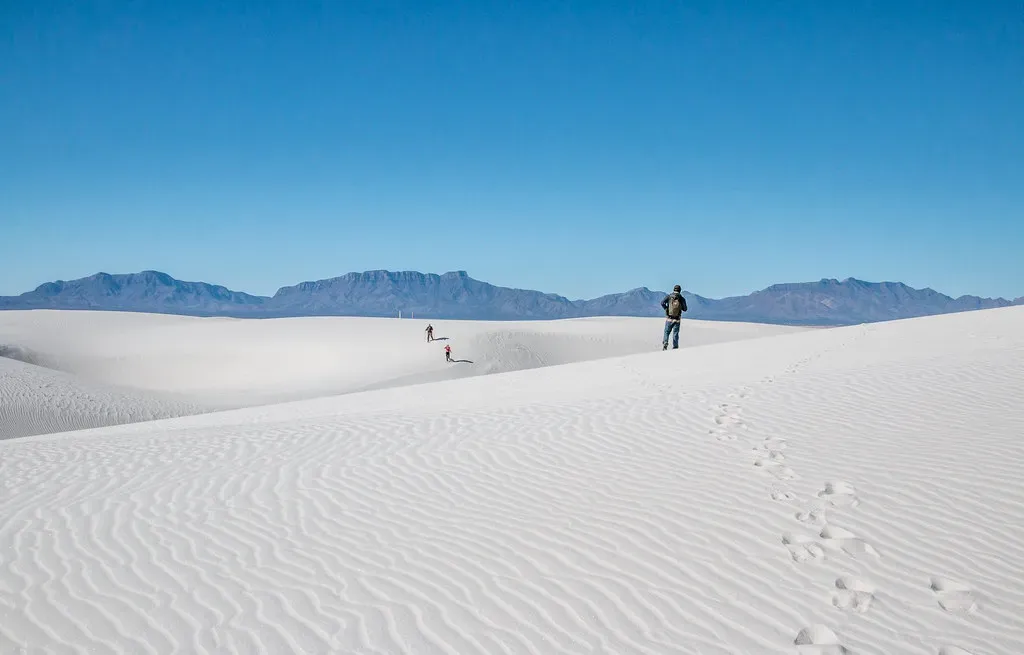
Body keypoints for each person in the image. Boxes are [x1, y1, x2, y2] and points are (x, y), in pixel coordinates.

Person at [660, 284, 687, 350]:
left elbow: (662, 302)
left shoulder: (669, 296)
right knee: (675, 333)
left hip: (669, 318)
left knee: (666, 332)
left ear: (674, 289)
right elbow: (685, 309)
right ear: (680, 290)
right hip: (677, 319)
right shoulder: (681, 298)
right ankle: (675, 347)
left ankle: (665, 343)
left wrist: (666, 308)